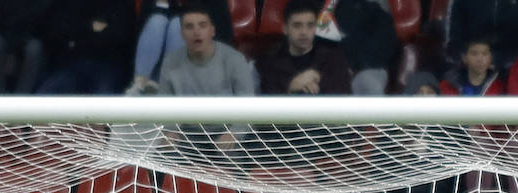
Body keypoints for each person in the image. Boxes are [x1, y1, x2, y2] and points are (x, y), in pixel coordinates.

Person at [158, 5, 254, 154]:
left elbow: (248, 104)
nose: (196, 32)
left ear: (212, 30)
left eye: (202, 25)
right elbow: (164, 105)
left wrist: (235, 133)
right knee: (162, 155)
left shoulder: (235, 59)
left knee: (237, 158)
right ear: (182, 33)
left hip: (226, 131)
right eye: (189, 27)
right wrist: (169, 132)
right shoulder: (170, 62)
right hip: (188, 134)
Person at [127, 0, 233, 95]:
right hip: (154, 59)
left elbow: (222, 34)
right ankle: (139, 85)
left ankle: (167, 87)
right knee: (157, 21)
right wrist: (162, 4)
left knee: (177, 25)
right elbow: (142, 26)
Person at [256, 0, 353, 96]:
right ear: (285, 28)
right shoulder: (269, 63)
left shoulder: (333, 59)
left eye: (310, 25)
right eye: (297, 26)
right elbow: (268, 107)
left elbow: (343, 102)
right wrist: (290, 88)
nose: (304, 32)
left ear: (315, 27)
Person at [36, 0, 134, 95]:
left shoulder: (117, 3)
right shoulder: (67, 3)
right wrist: (90, 28)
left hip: (107, 63)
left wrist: (76, 40)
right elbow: (53, 30)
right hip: (70, 63)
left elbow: (121, 35)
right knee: (42, 99)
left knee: (105, 101)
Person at [0, 0, 48, 93]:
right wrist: (10, 52)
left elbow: (40, 29)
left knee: (35, 48)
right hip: (4, 43)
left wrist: (13, 52)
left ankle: (21, 98)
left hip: (27, 43)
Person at [446, 0, 518, 70]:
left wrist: (500, 61)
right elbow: (454, 41)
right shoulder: (460, 2)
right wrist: (467, 59)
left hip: (512, 66)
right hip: (470, 66)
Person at [439, 38, 504, 96]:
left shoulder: (499, 87)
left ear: (491, 58)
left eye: (485, 54)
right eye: (474, 54)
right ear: (464, 58)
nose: (480, 59)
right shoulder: (448, 85)